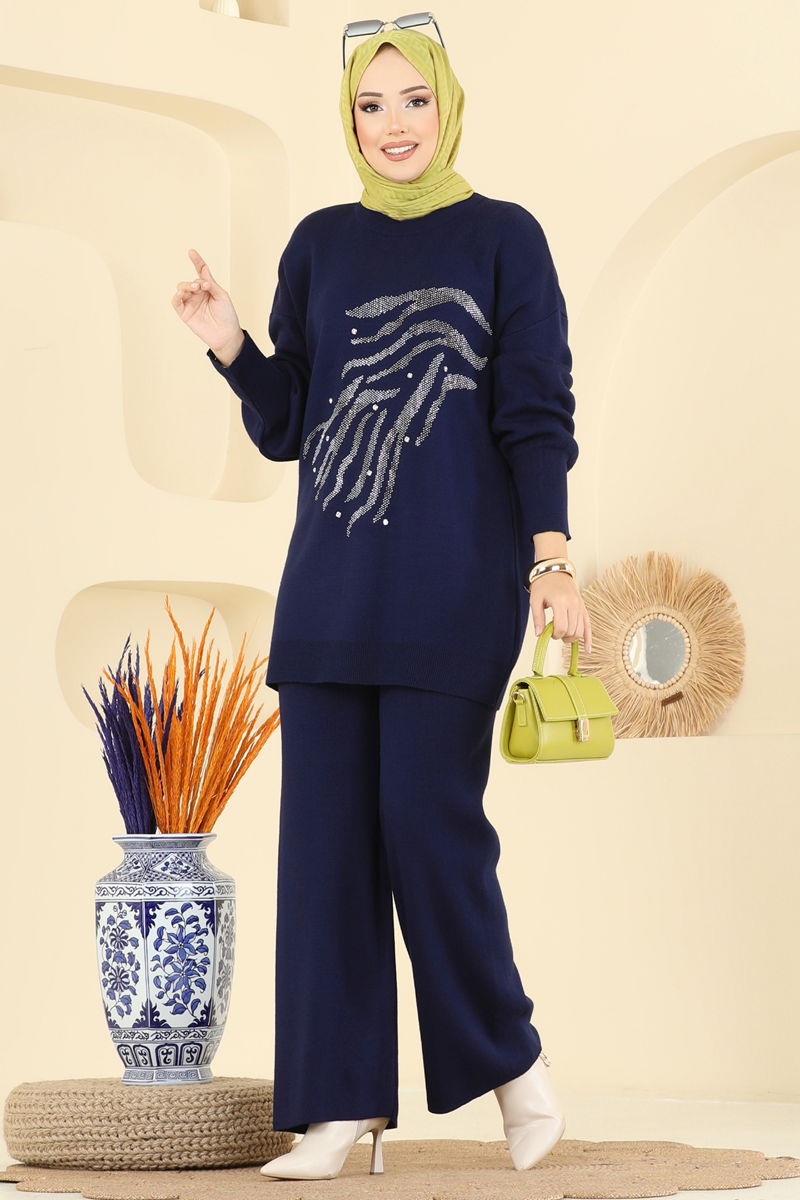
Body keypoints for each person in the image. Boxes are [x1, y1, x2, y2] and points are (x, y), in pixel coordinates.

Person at [172, 22, 592, 1182]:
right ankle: (337, 1111)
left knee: (428, 832)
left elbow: (534, 410)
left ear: (446, 106)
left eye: (412, 100)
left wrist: (549, 559)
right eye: (370, 105)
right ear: (348, 119)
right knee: (324, 858)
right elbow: (288, 424)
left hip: (454, 589)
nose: (393, 124)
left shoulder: (504, 237)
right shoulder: (320, 244)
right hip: (328, 594)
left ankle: (512, 1067)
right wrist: (228, 343)